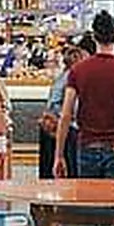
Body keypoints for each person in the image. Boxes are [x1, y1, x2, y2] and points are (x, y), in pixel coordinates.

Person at [54, 10, 114, 179]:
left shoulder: (77, 70)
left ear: (93, 37)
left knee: (89, 195)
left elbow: (66, 115)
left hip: (87, 146)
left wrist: (59, 155)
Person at [39, 44, 86, 179]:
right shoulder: (72, 78)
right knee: (71, 168)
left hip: (54, 126)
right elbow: (69, 107)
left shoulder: (62, 76)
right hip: (66, 128)